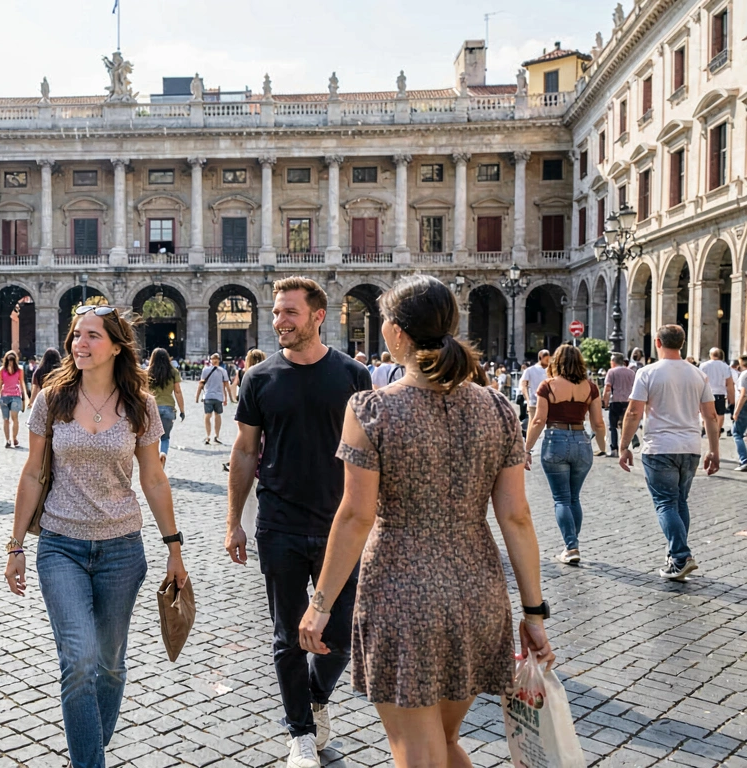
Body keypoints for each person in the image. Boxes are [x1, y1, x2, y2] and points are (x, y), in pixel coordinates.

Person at [295, 275, 554, 767]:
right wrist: (534, 614)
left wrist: (320, 603)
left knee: (418, 752)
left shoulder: (373, 409)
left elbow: (354, 515)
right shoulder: (498, 408)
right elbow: (517, 518)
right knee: (443, 741)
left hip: (401, 592)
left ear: (395, 333)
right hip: (478, 593)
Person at [5, 304, 184, 768]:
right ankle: (89, 763)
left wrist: (174, 549)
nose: (79, 345)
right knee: (79, 660)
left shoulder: (140, 405)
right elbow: (30, 475)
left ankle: (90, 748)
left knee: (108, 663)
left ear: (117, 346)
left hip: (122, 549)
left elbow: (154, 479)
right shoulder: (52, 398)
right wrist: (17, 544)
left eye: (91, 336)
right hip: (60, 545)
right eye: (75, 336)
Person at [225, 277, 371, 767]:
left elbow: (372, 456)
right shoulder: (259, 378)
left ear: (316, 316)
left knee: (342, 634)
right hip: (280, 523)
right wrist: (233, 522)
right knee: (287, 635)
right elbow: (244, 452)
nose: (279, 321)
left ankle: (315, 695)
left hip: (341, 525)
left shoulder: (353, 375)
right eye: (276, 312)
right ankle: (301, 735)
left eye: (289, 312)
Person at [618, 325, 719, 581]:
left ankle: (681, 556)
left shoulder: (647, 373)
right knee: (680, 502)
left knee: (665, 503)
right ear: (682, 343)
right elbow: (710, 415)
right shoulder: (698, 375)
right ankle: (675, 555)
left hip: (660, 447)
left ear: (657, 343)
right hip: (691, 447)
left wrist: (624, 445)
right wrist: (714, 451)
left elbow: (633, 412)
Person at [524, 344, 605, 564]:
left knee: (561, 498)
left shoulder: (547, 386)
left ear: (555, 362)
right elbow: (598, 422)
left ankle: (571, 547)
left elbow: (539, 420)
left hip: (555, 439)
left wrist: (527, 449)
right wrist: (603, 446)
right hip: (581, 440)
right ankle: (572, 544)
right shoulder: (591, 387)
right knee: (574, 497)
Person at [147, 347, 186, 464]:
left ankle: (154, 460)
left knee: (152, 438)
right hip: (168, 408)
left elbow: (143, 391)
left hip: (152, 408)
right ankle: (163, 453)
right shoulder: (173, 372)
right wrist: (182, 410)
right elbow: (178, 392)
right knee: (165, 437)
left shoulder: (147, 372)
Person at [603, 352, 638, 455]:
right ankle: (625, 447)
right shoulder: (631, 373)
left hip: (615, 401)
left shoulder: (611, 372)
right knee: (625, 425)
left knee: (612, 426)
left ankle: (614, 449)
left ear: (613, 362)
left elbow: (607, 388)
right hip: (628, 401)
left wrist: (605, 402)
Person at [0, 350, 29, 449]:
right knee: (5, 419)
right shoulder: (1, 370)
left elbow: (22, 383)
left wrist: (24, 397)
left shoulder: (20, 370)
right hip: (4, 397)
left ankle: (14, 438)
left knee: (15, 418)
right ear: (6, 360)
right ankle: (7, 440)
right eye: (9, 360)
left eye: (12, 360)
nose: (11, 362)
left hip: (16, 396)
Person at [700, 348, 736, 436]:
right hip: (720, 394)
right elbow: (729, 383)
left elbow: (700, 380)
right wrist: (732, 398)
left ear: (711, 355)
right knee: (720, 414)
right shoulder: (725, 366)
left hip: (706, 393)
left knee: (706, 414)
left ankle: (708, 431)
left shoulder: (703, 365)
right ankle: (718, 430)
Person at [196, 352, 230, 445]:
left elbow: (201, 384)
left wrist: (197, 396)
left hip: (208, 396)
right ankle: (216, 436)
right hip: (218, 397)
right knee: (217, 415)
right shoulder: (223, 371)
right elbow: (226, 386)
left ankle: (208, 436)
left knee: (207, 415)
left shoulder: (205, 370)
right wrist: (227, 398)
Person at [519, 349, 551, 427]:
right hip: (533, 402)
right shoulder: (529, 370)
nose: (548, 361)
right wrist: (528, 400)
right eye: (546, 359)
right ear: (541, 357)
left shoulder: (550, 371)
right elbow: (523, 386)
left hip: (548, 402)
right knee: (533, 424)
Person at [732, 356, 747, 471]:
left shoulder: (744, 375)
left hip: (744, 406)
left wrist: (736, 411)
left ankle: (744, 460)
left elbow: (744, 394)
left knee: (736, 433)